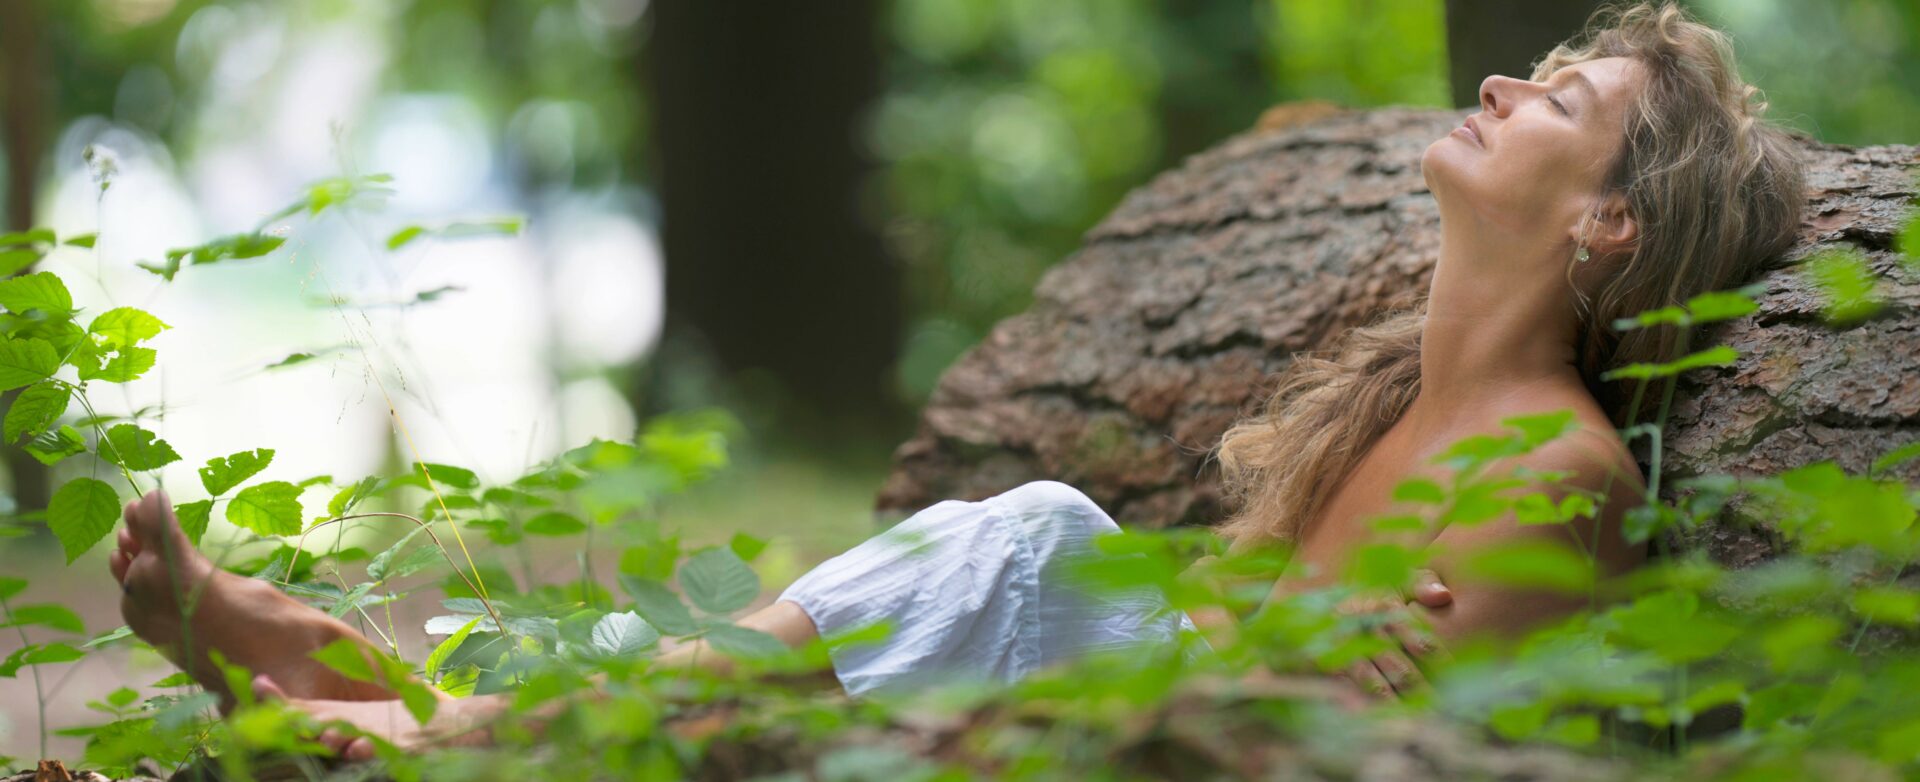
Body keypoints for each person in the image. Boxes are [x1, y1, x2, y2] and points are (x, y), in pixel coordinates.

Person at [106, 0, 1806, 761]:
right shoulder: (1388, 406)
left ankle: (424, 727)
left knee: (1041, 542)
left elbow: (1428, 763)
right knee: (1020, 558)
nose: (1505, 78)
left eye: (1564, 97)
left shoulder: (1548, 473)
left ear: (1606, 225)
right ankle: (420, 710)